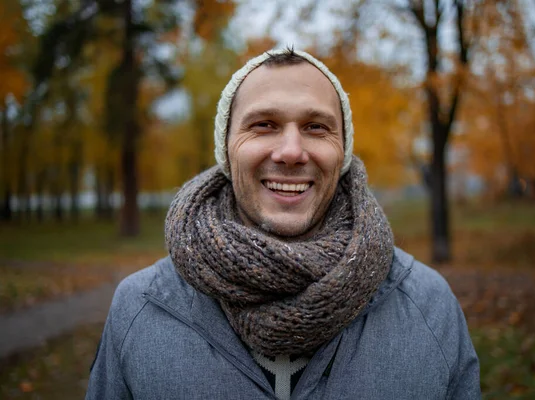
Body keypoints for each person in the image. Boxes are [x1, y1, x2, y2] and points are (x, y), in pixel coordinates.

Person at [86, 47, 480, 400]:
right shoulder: (142, 308)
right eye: (264, 124)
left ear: (342, 152)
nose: (291, 151)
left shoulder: (428, 306)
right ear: (226, 149)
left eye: (316, 127)